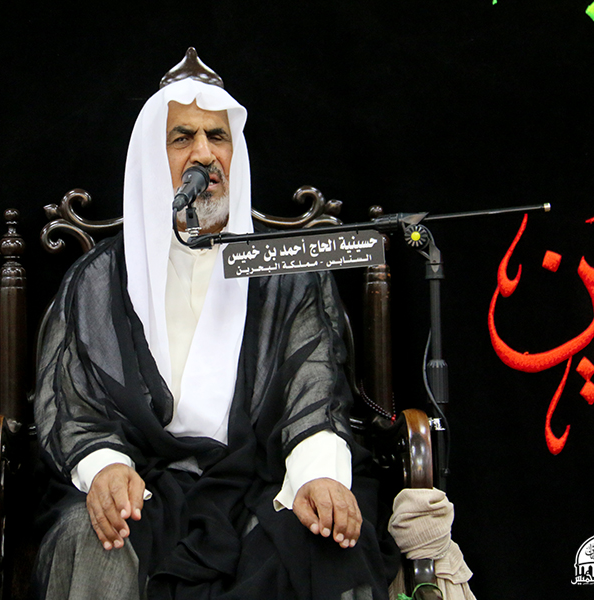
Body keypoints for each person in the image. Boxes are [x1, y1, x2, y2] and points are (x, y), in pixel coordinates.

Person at [33, 48, 399, 600]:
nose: (204, 154)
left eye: (217, 137)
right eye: (182, 138)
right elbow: (71, 407)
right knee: (94, 538)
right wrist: (105, 468)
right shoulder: (97, 281)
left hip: (260, 482)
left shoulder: (284, 271)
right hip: (143, 487)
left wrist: (316, 475)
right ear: (151, 159)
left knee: (323, 538)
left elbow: (314, 392)